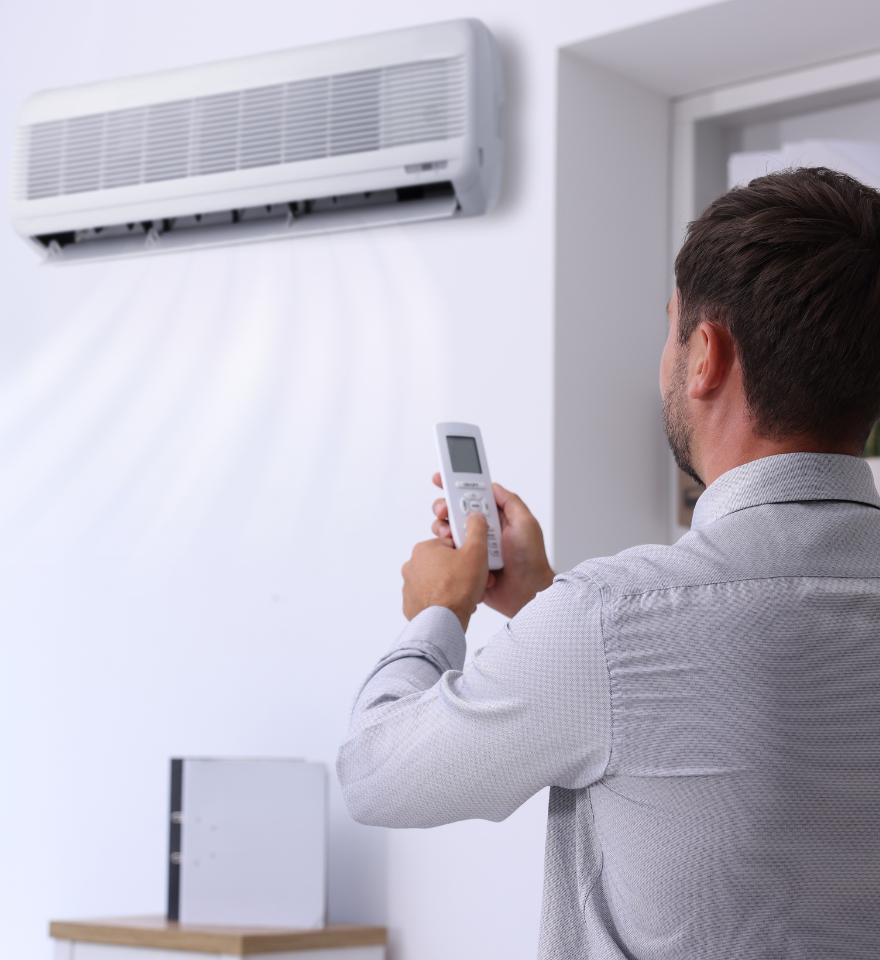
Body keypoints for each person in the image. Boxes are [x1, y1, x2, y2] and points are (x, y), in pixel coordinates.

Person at [337, 167, 880, 959]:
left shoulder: (608, 622)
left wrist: (438, 612)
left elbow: (376, 775)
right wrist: (544, 602)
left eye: (670, 329)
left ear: (706, 355)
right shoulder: (604, 626)